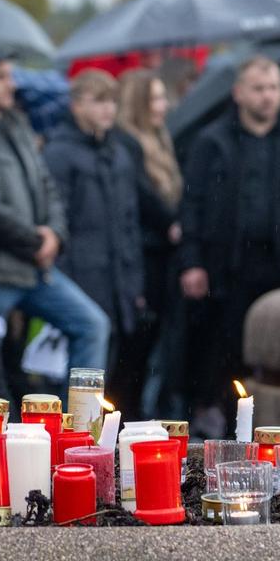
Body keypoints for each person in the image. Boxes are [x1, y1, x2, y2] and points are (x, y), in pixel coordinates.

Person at [178, 55, 280, 437]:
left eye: (273, 89)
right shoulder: (213, 142)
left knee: (279, 352)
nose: (268, 97)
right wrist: (192, 260)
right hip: (228, 266)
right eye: (259, 88)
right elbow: (192, 204)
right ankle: (223, 426)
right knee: (225, 353)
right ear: (239, 93)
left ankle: (278, 429)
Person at [0, 45, 110, 398]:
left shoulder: (17, 124)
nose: (10, 85)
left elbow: (46, 187)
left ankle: (78, 425)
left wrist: (54, 234)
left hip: (34, 267)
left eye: (10, 75)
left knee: (92, 325)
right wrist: (35, 241)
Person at [43, 70, 143, 409]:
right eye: (98, 100)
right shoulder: (59, 152)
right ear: (75, 105)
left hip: (115, 275)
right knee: (71, 372)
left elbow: (129, 222)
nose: (108, 109)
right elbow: (57, 218)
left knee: (105, 367)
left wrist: (133, 283)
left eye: (112, 101)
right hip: (80, 273)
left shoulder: (119, 153)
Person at [114, 69, 183, 418]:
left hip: (159, 253)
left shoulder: (160, 139)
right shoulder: (127, 142)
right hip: (144, 253)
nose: (163, 106)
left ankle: (135, 409)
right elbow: (142, 195)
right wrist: (169, 222)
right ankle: (126, 414)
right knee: (134, 346)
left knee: (149, 345)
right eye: (155, 98)